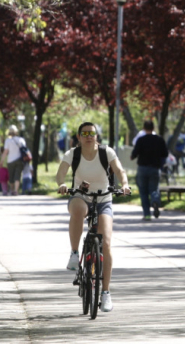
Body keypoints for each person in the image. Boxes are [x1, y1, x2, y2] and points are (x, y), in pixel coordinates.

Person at [56, 121, 131, 313]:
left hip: (104, 199)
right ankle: (74, 254)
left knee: (105, 243)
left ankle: (105, 293)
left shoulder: (107, 153)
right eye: (85, 133)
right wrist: (63, 184)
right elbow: (61, 173)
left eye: (92, 133)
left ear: (97, 136)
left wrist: (125, 184)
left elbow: (120, 171)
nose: (89, 136)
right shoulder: (73, 154)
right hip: (80, 196)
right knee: (79, 210)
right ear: (79, 137)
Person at [131, 120, 168, 220]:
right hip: (155, 168)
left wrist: (133, 156)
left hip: (142, 168)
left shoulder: (141, 140)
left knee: (143, 192)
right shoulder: (159, 140)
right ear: (153, 128)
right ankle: (155, 201)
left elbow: (134, 154)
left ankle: (147, 214)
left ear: (144, 128)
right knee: (154, 188)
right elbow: (165, 154)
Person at [1, 125, 27, 195]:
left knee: (11, 176)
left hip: (10, 161)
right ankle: (16, 190)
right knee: (17, 176)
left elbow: (5, 152)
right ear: (16, 132)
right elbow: (25, 150)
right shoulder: (21, 140)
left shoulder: (8, 141)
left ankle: (12, 190)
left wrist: (2, 160)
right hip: (20, 160)